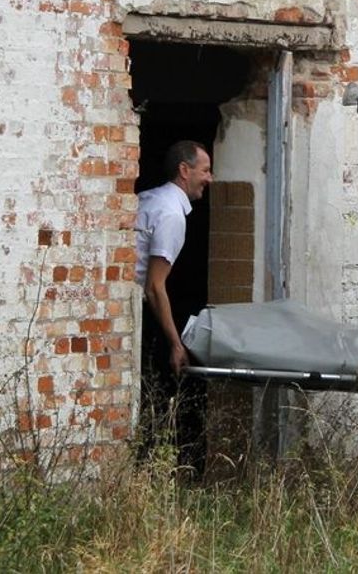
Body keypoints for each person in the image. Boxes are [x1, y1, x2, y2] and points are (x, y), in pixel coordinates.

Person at [134, 140, 213, 472]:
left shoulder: (151, 197)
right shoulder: (171, 214)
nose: (210, 178)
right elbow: (154, 286)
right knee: (158, 386)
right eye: (205, 170)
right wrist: (175, 343)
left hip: (136, 301)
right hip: (140, 308)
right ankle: (153, 466)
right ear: (185, 170)